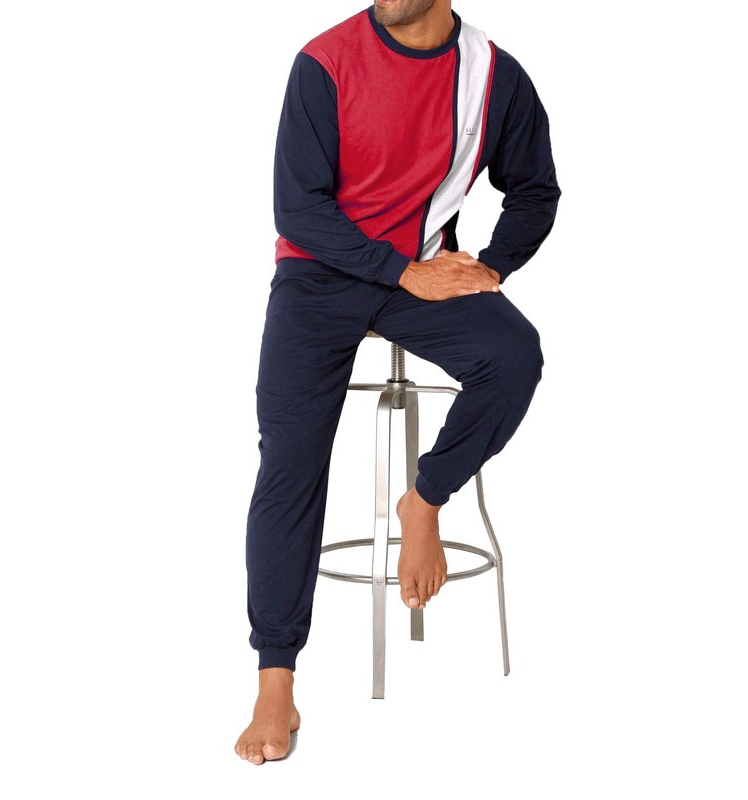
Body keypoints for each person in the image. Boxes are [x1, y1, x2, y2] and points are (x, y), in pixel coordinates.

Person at [235, 0, 560, 764]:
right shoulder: (324, 62)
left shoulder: (490, 74)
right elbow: (298, 209)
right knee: (290, 461)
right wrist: (401, 271)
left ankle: (425, 499)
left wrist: (486, 270)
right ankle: (276, 679)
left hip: (422, 273)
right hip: (319, 276)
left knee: (514, 356)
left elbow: (535, 190)